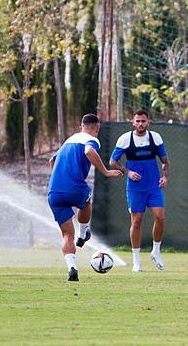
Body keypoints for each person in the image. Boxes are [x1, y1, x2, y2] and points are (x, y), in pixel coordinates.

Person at [47, 113, 122, 281]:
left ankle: (72, 268)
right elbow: (88, 151)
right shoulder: (92, 139)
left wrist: (59, 178)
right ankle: (83, 233)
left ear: (81, 127)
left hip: (54, 191)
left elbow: (51, 161)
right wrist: (106, 171)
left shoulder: (69, 140)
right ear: (97, 128)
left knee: (67, 235)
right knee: (86, 199)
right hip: (74, 188)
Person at [110, 110, 170, 272]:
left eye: (143, 121)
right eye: (138, 121)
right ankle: (137, 261)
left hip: (153, 187)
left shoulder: (155, 138)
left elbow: (164, 161)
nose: (141, 124)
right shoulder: (125, 139)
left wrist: (165, 176)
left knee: (160, 217)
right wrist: (127, 171)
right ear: (133, 122)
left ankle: (156, 251)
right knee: (136, 222)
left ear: (148, 122)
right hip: (135, 188)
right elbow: (113, 161)